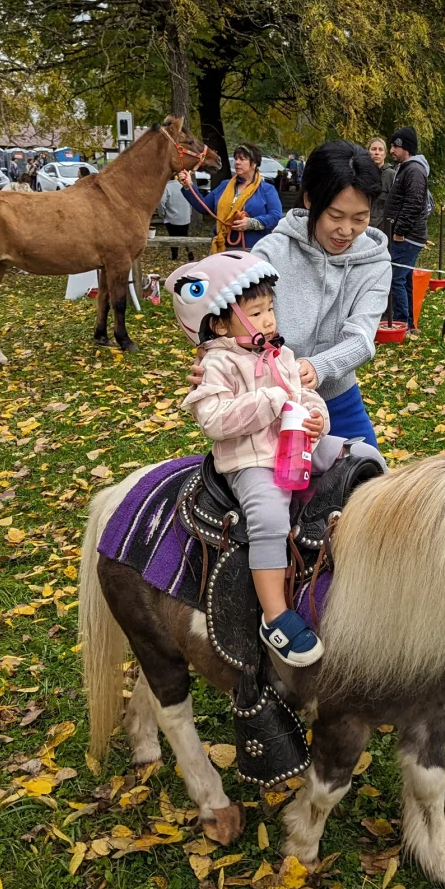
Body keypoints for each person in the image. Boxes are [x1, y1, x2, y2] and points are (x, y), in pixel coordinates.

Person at [172, 251, 330, 665]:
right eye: (256, 312)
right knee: (270, 518)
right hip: (251, 460)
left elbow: (307, 395)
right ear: (220, 322)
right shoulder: (218, 363)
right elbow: (213, 420)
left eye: (269, 309)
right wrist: (272, 400)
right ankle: (275, 615)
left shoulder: (281, 354)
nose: (268, 320)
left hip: (296, 446)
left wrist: (316, 418)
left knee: (359, 456)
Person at [190, 141, 391, 448]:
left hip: (338, 400)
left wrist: (318, 367)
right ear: (310, 200)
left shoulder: (375, 261)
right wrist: (218, 364)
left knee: (369, 481)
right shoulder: (270, 253)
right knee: (274, 489)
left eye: (359, 218)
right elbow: (237, 322)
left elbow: (362, 338)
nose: (346, 230)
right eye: (335, 216)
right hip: (267, 397)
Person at [179, 142, 282, 253]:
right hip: (224, 249)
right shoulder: (225, 186)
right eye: (236, 158)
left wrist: (251, 223)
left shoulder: (266, 189)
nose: (237, 162)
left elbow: (276, 217)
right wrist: (188, 186)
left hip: (254, 250)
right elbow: (203, 207)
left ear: (254, 164)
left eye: (242, 159)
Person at [383, 126, 429, 331]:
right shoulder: (407, 168)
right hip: (405, 235)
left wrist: (400, 230)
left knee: (396, 279)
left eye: (395, 146)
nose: (391, 150)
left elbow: (414, 202)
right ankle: (410, 323)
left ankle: (402, 323)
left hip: (407, 236)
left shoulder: (414, 170)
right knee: (405, 278)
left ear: (406, 148)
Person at [157, 175, 195, 262]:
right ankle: (190, 254)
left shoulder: (167, 187)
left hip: (172, 217)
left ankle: (174, 255)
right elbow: (191, 199)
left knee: (172, 236)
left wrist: (162, 213)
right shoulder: (184, 185)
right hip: (185, 216)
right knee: (185, 235)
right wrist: (189, 212)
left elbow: (162, 201)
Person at [366, 137, 394, 231]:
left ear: (385, 154)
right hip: (363, 226)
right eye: (373, 149)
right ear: (368, 152)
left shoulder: (391, 175)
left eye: (380, 149)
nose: (377, 152)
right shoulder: (362, 174)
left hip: (383, 227)